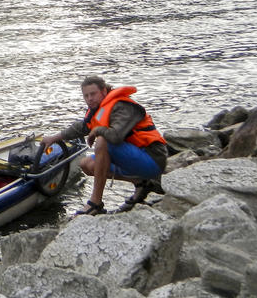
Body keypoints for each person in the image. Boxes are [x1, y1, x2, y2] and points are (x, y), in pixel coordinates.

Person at [42, 76, 168, 215]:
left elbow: (115, 136)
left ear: (103, 91)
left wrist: (97, 131)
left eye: (93, 94)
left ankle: (96, 203)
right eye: (86, 95)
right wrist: (54, 138)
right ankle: (142, 183)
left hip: (152, 159)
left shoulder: (122, 106)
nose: (90, 98)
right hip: (134, 158)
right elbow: (82, 127)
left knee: (103, 140)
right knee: (87, 164)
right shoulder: (97, 109)